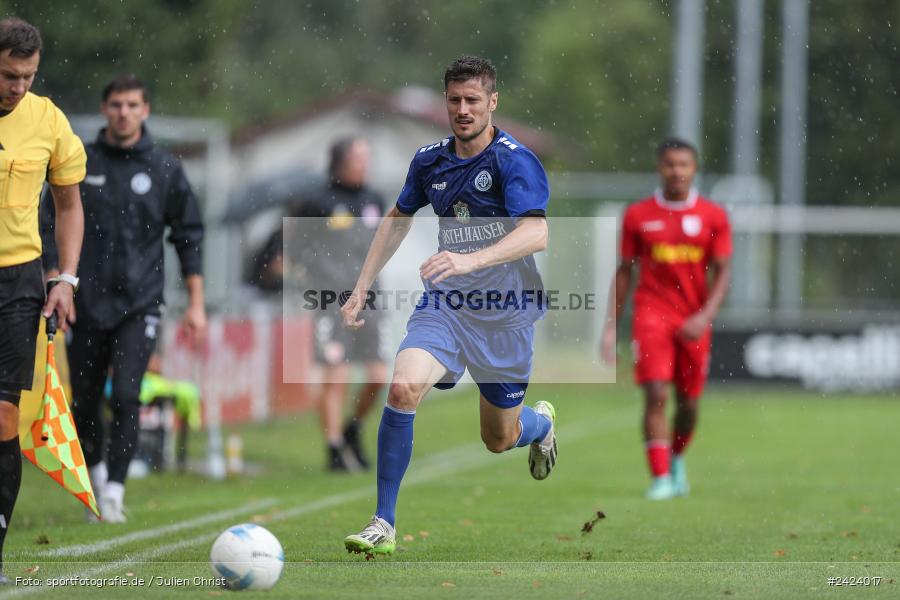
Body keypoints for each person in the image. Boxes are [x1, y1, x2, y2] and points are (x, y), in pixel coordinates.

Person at [340, 56, 557, 555]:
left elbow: (536, 231)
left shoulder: (513, 160)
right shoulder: (429, 160)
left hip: (506, 313)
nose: (463, 109)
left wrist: (470, 260)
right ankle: (383, 522)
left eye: (473, 100)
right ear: (446, 102)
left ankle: (541, 426)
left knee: (499, 439)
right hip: (447, 307)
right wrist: (361, 285)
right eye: (455, 100)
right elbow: (397, 217)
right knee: (403, 388)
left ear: (492, 102)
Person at [43, 74, 206, 523]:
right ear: (105, 109)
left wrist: (195, 302)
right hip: (85, 301)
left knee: (129, 395)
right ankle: (96, 479)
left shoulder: (165, 168)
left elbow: (189, 235)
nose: (124, 113)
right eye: (116, 104)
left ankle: (114, 491)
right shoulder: (80, 160)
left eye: (133, 105)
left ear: (145, 110)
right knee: (86, 401)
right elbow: (50, 222)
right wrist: (58, 281)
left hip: (140, 304)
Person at [0, 17, 85, 583]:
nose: (18, 87)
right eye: (8, 75)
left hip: (17, 282)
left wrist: (66, 278)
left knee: (4, 417)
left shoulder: (48, 119)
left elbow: (70, 206)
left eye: (27, 76)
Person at [600, 138, 732, 500]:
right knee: (656, 392)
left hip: (693, 320)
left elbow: (723, 272)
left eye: (683, 164)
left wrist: (705, 315)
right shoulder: (639, 215)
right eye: (670, 164)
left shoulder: (713, 215)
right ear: (660, 168)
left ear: (694, 169)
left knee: (688, 404)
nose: (676, 171)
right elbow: (625, 271)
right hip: (651, 315)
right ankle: (660, 478)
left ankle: (676, 458)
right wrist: (611, 327)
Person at [288, 137, 388, 472]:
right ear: (340, 162)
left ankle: (353, 428)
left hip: (370, 299)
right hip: (330, 300)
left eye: (366, 157)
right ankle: (333, 449)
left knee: (377, 376)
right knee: (337, 374)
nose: (365, 163)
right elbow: (295, 248)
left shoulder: (375, 200)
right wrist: (316, 280)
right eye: (359, 157)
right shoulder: (317, 202)